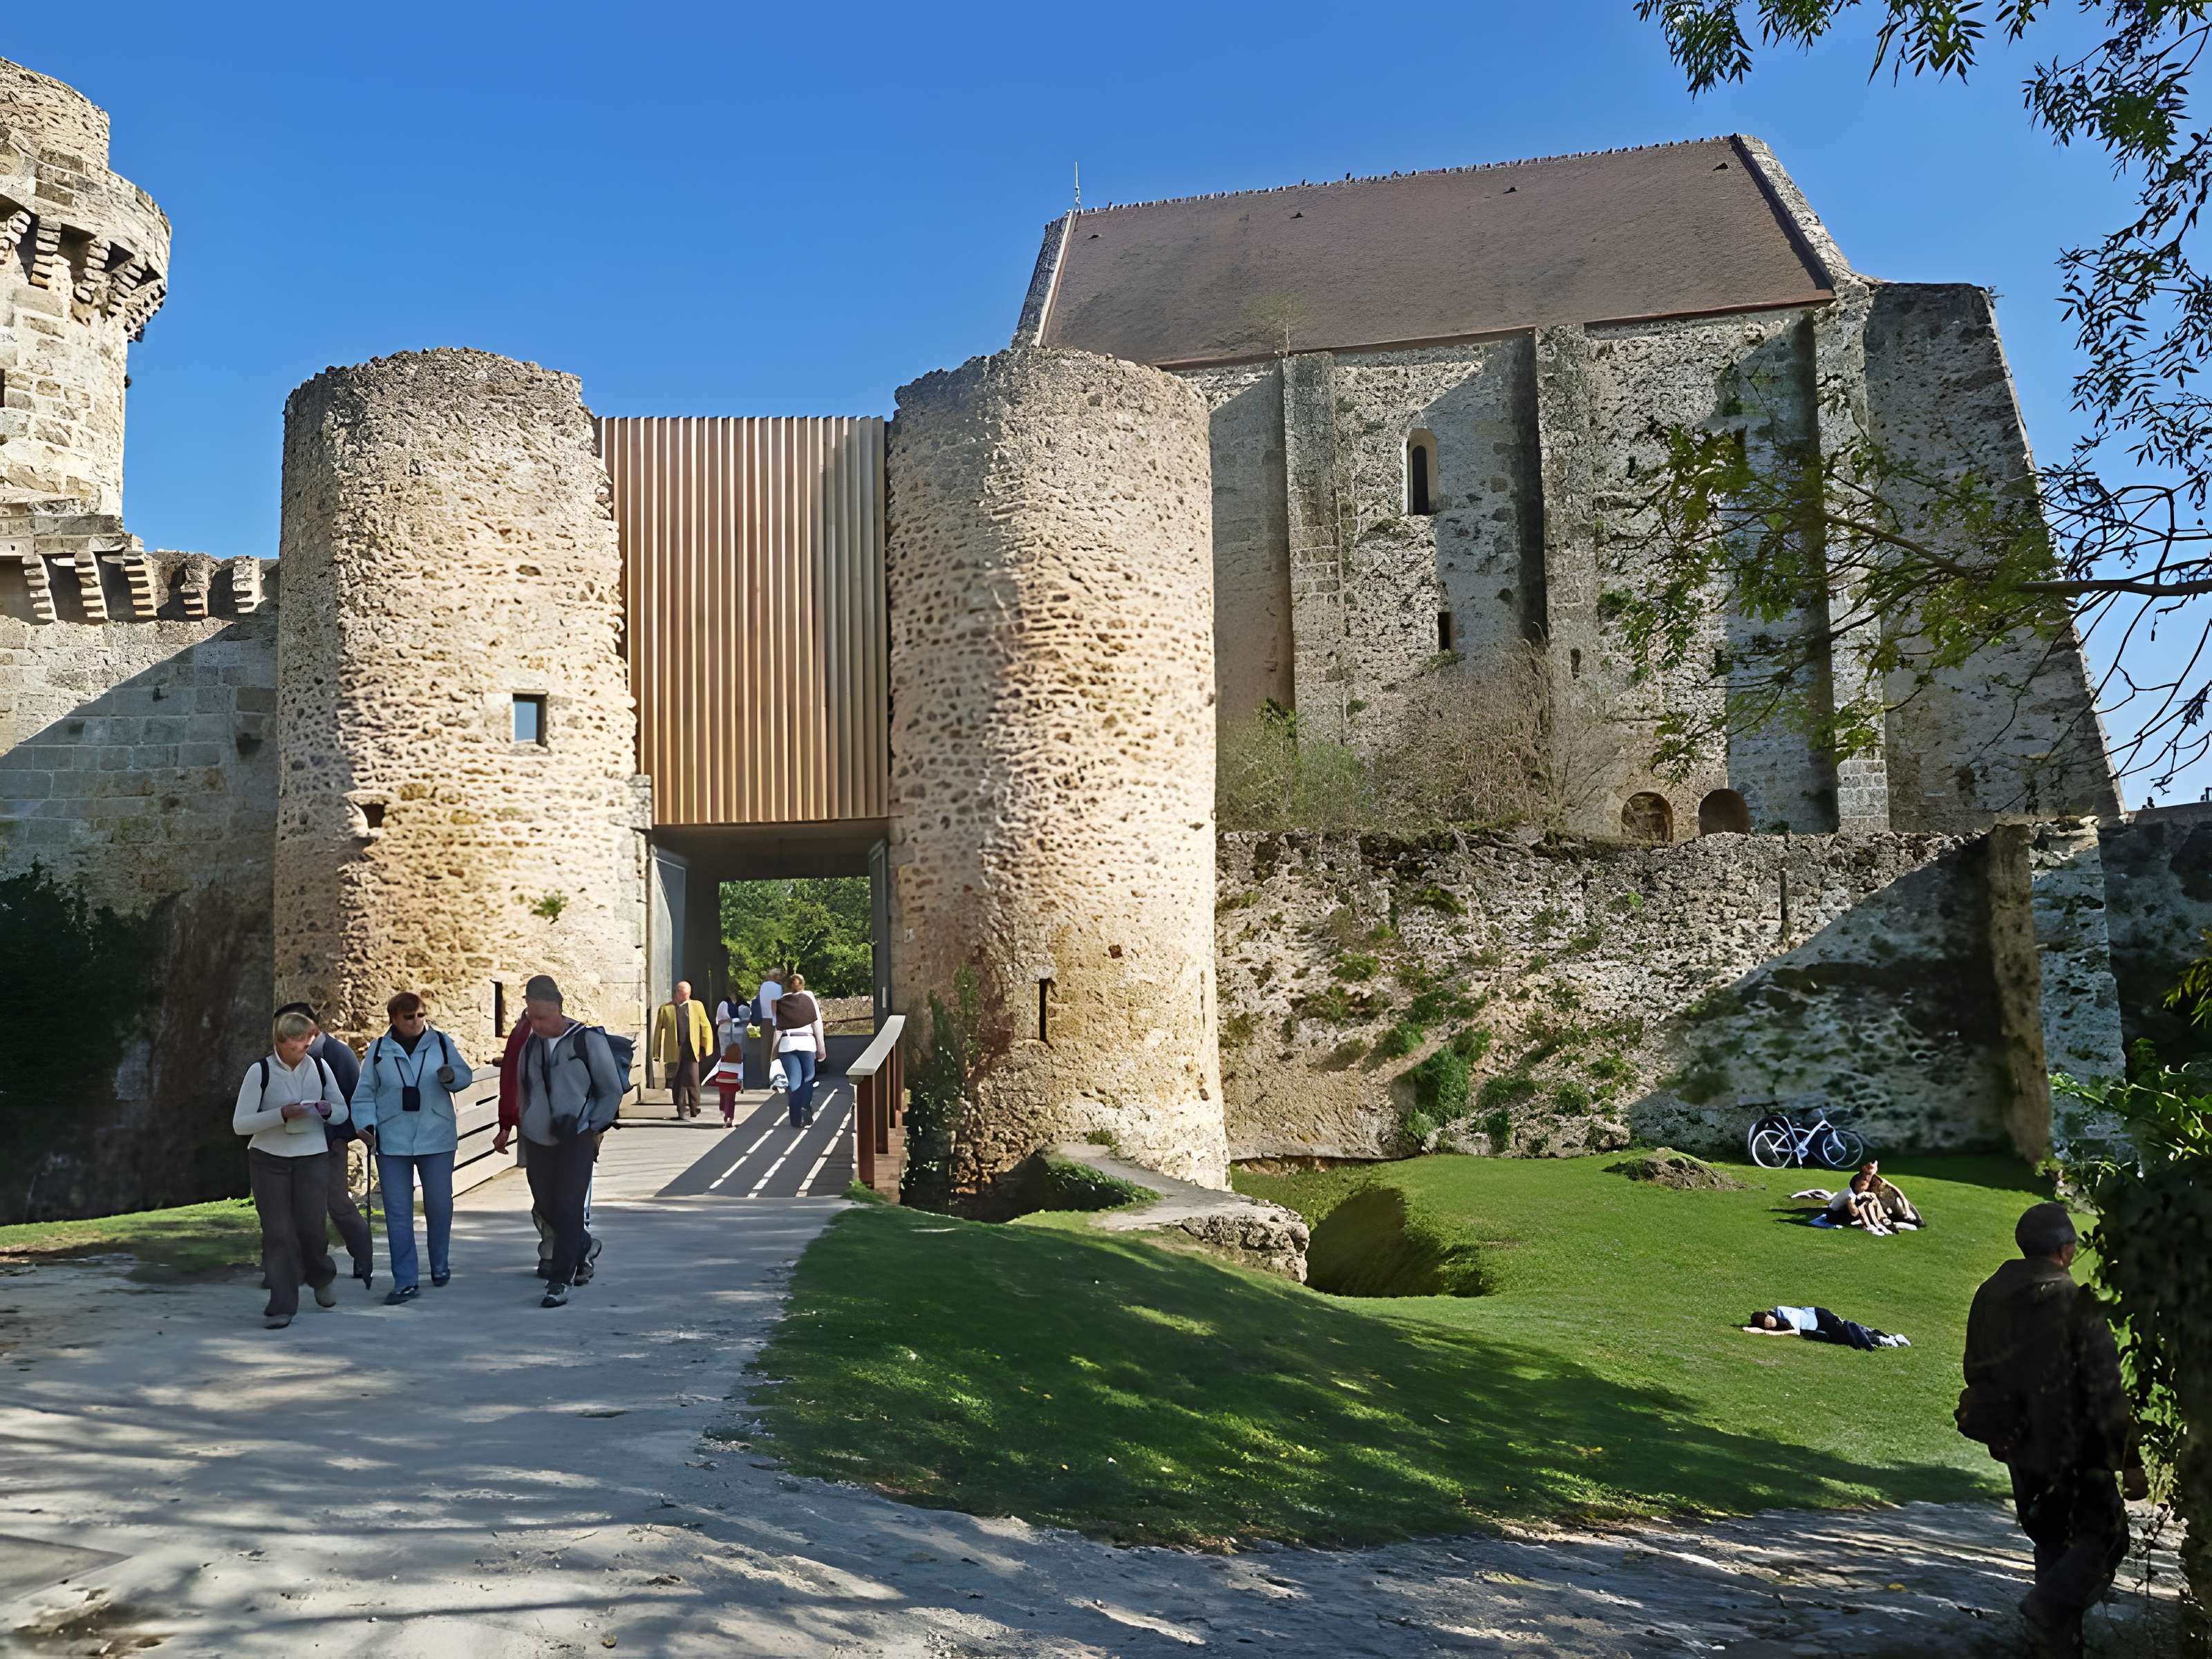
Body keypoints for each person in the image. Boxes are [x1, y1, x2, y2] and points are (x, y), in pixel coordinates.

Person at [1962, 1202, 2146, 1658]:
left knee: (2052, 1539)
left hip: (2018, 1444)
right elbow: (2107, 1390)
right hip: (2076, 1447)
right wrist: (2132, 1462)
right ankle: (2046, 1609)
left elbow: (1976, 1368)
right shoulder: (2074, 1304)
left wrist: (1996, 1428)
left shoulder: (1990, 1294)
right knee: (2105, 1539)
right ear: (2066, 1249)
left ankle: (2058, 1648)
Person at [499, 975, 621, 1308]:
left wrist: (592, 1125)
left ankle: (560, 1281)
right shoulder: (530, 1044)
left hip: (576, 1137)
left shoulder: (586, 1041)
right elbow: (521, 1088)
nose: (535, 1024)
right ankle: (585, 1245)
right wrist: (519, 1126)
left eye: (541, 1017)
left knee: (569, 1207)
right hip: (538, 1139)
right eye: (530, 1017)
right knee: (547, 1206)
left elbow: (611, 1089)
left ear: (559, 1010)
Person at [350, 991, 474, 1305]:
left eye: (420, 1015)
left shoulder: (442, 1043)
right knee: (397, 1211)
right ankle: (405, 1280)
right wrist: (366, 1124)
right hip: (392, 1139)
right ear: (394, 1019)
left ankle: (439, 1264)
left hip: (437, 1136)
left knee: (438, 1205)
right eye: (409, 1017)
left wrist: (451, 1076)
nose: (416, 1021)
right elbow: (364, 1094)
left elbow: (464, 1076)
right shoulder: (378, 1050)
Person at [233, 1009, 350, 1329]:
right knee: (279, 1234)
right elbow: (240, 1125)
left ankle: (321, 1276)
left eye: (310, 1040)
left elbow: (341, 1112)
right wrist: (281, 1114)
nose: (306, 1046)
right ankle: (282, 1306)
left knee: (312, 1229)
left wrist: (327, 1110)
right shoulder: (260, 1072)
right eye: (300, 1041)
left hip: (312, 1157)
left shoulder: (322, 1068)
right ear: (281, 1042)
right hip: (268, 1159)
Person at [274, 1001, 376, 1291]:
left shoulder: (338, 1054)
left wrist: (340, 1136)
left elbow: (353, 1102)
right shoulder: (286, 1056)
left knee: (338, 1204)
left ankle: (364, 1257)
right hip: (295, 1142)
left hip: (330, 1143)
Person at [652, 980, 712, 1120]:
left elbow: (706, 1027)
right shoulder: (666, 1009)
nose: (686, 997)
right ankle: (680, 1110)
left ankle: (695, 1106)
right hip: (674, 1050)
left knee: (693, 1079)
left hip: (692, 1049)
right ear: (677, 993)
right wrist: (656, 1053)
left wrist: (705, 1048)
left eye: (688, 994)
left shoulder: (697, 1006)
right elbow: (658, 1032)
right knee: (677, 1081)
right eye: (683, 994)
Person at [774, 972, 826, 1128]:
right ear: (803, 985)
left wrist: (773, 1053)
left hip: (787, 1043)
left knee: (794, 1082)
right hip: (807, 1043)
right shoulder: (809, 999)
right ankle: (806, 1106)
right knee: (808, 1079)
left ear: (788, 986)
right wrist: (821, 1047)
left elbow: (777, 1029)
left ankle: (795, 1118)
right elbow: (817, 1024)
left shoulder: (782, 1001)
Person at [1744, 1304, 1910, 1349]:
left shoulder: (1781, 1311)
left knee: (1847, 1333)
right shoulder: (1776, 1324)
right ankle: (1889, 1338)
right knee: (1846, 1334)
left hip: (1820, 1318)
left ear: (1768, 1314)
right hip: (1818, 1323)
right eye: (1768, 1326)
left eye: (1769, 1321)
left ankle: (1885, 1340)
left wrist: (1765, 1333)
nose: (1771, 1324)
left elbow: (1794, 1332)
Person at [710, 999, 745, 1126]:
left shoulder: (723, 1005)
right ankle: (728, 1112)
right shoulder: (741, 1006)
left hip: (726, 1030)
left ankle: (725, 1107)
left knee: (726, 1071)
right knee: (734, 1069)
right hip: (737, 1031)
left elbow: (719, 1020)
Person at [754, 969, 785, 1090]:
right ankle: (775, 1078)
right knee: (775, 1051)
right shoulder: (777, 988)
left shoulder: (763, 986)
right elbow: (778, 1003)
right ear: (777, 977)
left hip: (764, 1020)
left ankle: (765, 1078)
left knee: (765, 1051)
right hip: (774, 1020)